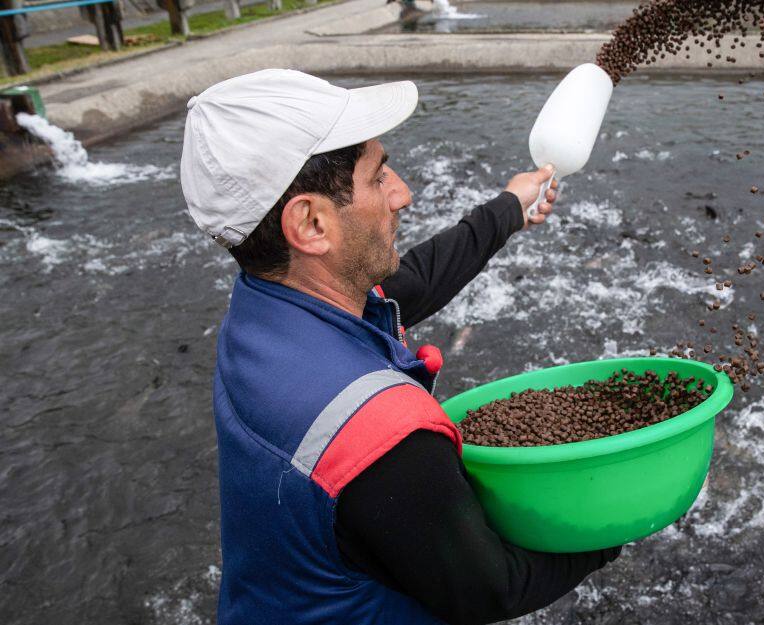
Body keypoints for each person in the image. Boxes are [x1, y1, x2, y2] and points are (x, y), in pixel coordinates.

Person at [180, 69, 620, 625]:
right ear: (311, 223)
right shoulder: (382, 437)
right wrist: (620, 520)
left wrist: (509, 208)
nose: (402, 193)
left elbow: (408, 283)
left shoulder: (263, 310)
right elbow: (492, 589)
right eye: (377, 175)